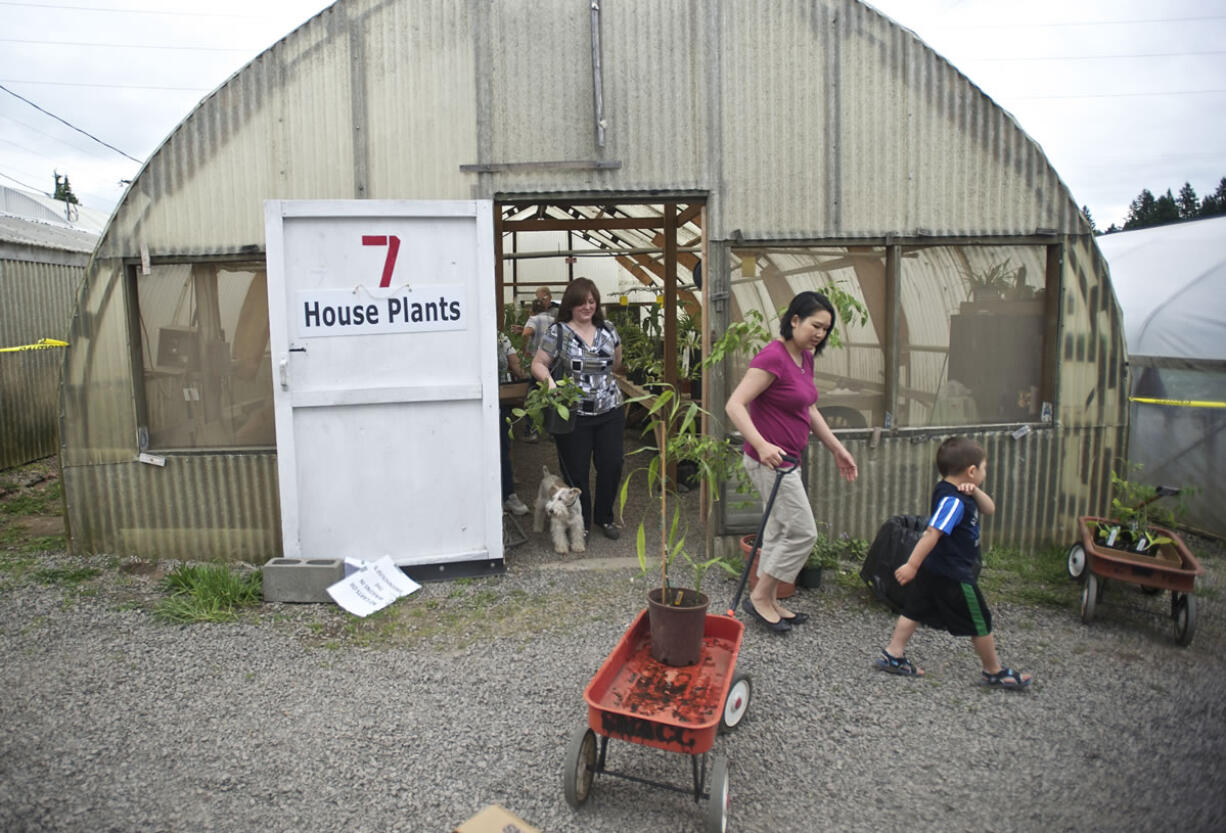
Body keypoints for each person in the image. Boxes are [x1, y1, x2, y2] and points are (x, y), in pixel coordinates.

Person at [725, 291, 858, 633]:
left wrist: (836, 448)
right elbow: (735, 405)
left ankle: (768, 599)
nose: (820, 334)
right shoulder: (773, 357)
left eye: (826, 329)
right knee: (802, 532)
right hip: (771, 463)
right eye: (815, 325)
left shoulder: (804, 358)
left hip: (789, 460)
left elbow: (808, 408)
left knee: (781, 530)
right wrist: (761, 443)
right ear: (794, 320)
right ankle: (759, 597)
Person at [875, 436, 1033, 689]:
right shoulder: (954, 501)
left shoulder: (952, 489)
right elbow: (932, 533)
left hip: (934, 568)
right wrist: (912, 565)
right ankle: (993, 671)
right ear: (972, 471)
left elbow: (989, 509)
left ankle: (892, 653)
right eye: (983, 470)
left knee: (914, 610)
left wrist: (976, 490)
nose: (984, 473)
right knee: (980, 620)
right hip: (953, 574)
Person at [530, 277, 624, 540]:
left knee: (611, 464)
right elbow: (538, 364)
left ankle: (604, 517)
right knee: (577, 469)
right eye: (581, 302)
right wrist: (550, 384)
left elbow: (616, 362)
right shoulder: (558, 332)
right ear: (570, 305)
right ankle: (579, 519)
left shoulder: (608, 329)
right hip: (574, 412)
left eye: (592, 301)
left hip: (610, 410)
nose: (587, 306)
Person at [497, 332, 530, 516]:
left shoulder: (501, 338)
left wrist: (529, 379)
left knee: (502, 447)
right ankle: (489, 498)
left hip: (501, 400)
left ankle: (508, 495)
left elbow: (516, 365)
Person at [519, 298, 556, 442]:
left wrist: (524, 349)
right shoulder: (554, 320)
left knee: (533, 396)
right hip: (554, 363)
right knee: (553, 394)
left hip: (538, 364)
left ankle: (531, 431)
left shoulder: (533, 319)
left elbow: (526, 333)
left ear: (532, 310)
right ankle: (553, 431)